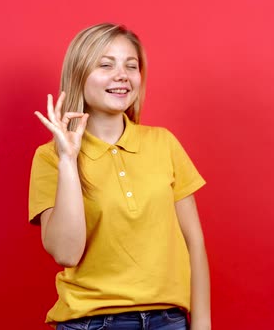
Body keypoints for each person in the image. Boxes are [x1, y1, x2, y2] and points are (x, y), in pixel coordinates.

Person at [28, 23, 211, 330]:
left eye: (131, 66)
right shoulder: (50, 157)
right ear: (78, 74)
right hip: (91, 323)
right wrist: (69, 161)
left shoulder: (163, 143)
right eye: (106, 64)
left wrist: (202, 325)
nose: (122, 75)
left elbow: (194, 243)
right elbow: (66, 253)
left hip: (168, 321)